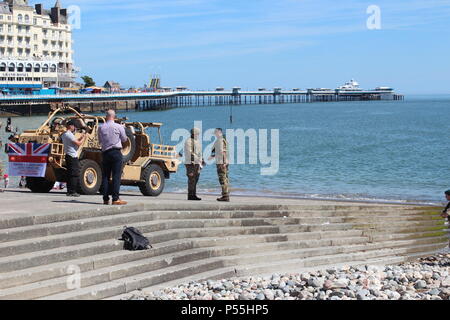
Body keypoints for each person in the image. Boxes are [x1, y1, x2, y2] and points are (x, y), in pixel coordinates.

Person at [98, 109, 128, 206]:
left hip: (105, 152)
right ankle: (115, 198)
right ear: (114, 117)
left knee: (105, 176)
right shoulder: (119, 126)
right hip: (116, 152)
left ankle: (105, 199)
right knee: (116, 176)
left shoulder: (101, 127)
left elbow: (100, 141)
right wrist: (123, 128)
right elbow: (124, 139)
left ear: (106, 116)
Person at [61, 120, 86, 197]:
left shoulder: (64, 134)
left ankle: (69, 191)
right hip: (72, 156)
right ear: (70, 126)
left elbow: (73, 143)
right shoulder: (69, 134)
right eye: (74, 126)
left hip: (68, 155)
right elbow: (78, 143)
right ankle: (73, 191)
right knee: (74, 174)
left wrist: (80, 138)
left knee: (69, 174)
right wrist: (83, 138)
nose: (74, 128)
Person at [209, 128, 230, 202]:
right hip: (223, 162)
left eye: (215, 132)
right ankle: (225, 195)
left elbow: (222, 152)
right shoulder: (222, 140)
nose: (215, 134)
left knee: (223, 179)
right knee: (225, 178)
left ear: (219, 132)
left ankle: (225, 196)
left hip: (221, 162)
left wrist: (224, 162)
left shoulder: (220, 141)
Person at [184, 128, 204, 201]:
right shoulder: (188, 141)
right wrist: (197, 159)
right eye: (197, 134)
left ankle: (194, 194)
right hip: (191, 163)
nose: (198, 135)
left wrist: (202, 160)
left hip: (197, 163)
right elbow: (190, 152)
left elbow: (199, 153)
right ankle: (191, 195)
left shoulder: (197, 142)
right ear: (193, 134)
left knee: (196, 179)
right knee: (191, 178)